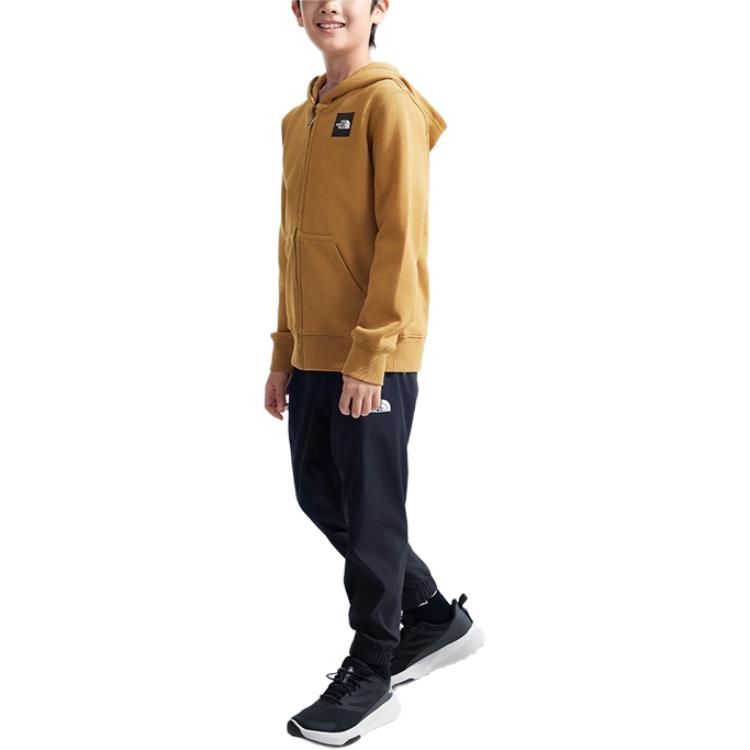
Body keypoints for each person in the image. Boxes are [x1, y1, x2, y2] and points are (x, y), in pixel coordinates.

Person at [264, 1, 484, 744]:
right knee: (318, 493)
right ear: (296, 10)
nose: (331, 5)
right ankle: (432, 615)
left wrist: (372, 356)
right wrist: (284, 350)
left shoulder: (389, 104)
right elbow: (291, 247)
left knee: (372, 511)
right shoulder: (298, 121)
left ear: (378, 7)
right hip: (314, 351)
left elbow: (402, 238)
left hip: (372, 355)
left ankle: (374, 664)